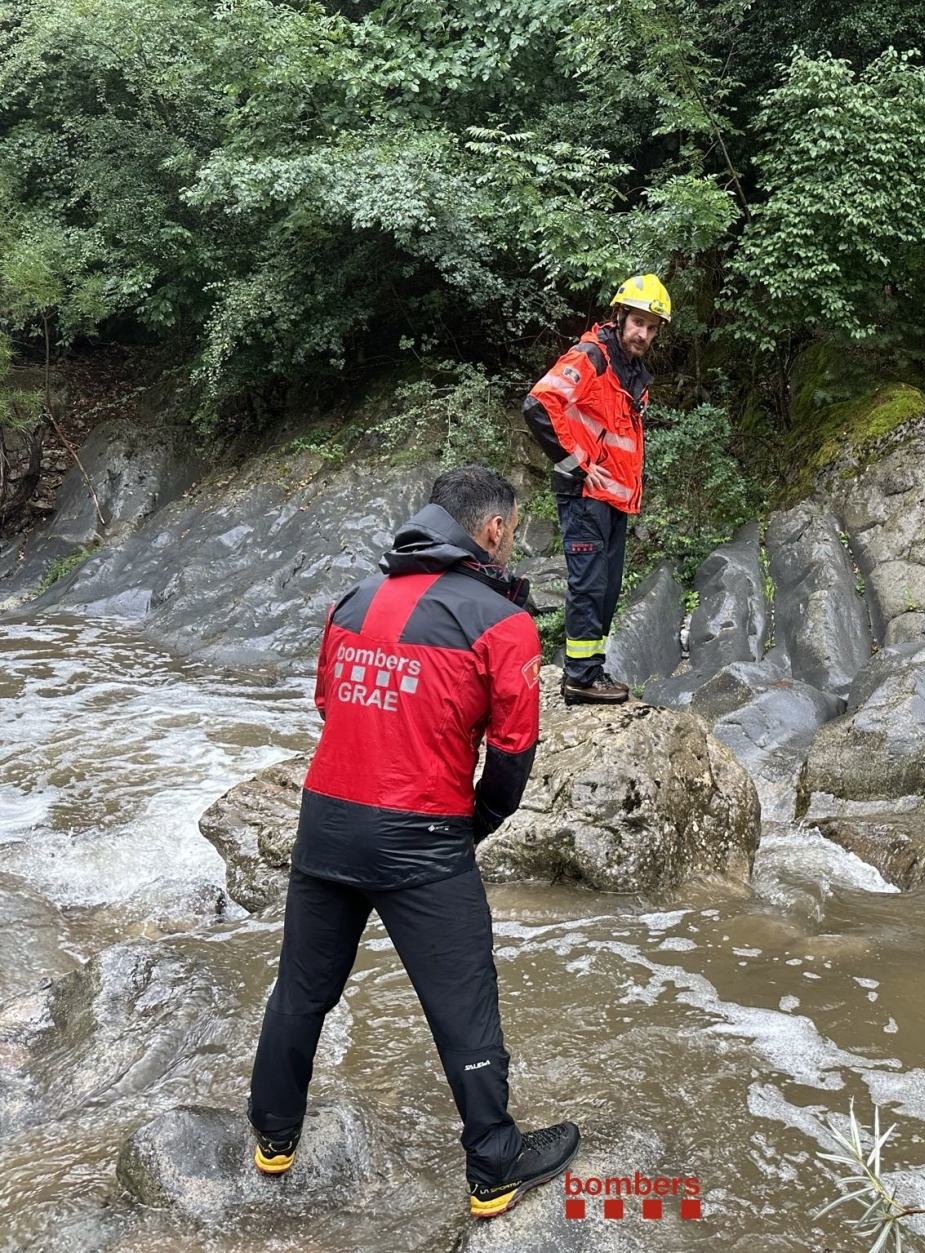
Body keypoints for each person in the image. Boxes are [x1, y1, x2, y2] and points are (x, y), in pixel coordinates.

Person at [246, 465, 579, 1218]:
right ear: (493, 529)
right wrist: (475, 825)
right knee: (463, 1004)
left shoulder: (353, 600)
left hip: (326, 822)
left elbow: (331, 705)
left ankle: (273, 1135)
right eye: (513, 529)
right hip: (422, 835)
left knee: (302, 990)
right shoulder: (502, 622)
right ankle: (494, 1165)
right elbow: (513, 751)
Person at [523, 274, 670, 705]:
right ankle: (580, 677)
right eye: (638, 322)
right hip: (586, 496)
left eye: (652, 327)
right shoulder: (592, 357)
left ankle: (591, 670)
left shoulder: (633, 372)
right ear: (620, 315)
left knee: (606, 588)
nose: (643, 334)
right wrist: (576, 466)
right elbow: (539, 404)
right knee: (589, 585)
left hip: (614, 499)